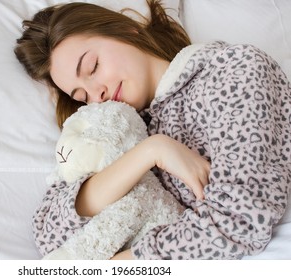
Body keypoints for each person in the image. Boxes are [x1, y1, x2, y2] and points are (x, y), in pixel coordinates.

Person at [15, 0, 291, 259]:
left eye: (93, 66)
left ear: (125, 30)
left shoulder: (235, 68)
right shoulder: (113, 127)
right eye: (81, 96)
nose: (96, 94)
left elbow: (242, 219)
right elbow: (50, 234)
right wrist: (150, 151)